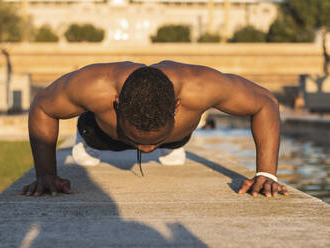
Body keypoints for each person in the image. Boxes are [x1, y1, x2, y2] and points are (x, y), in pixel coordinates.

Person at [21, 61, 288, 198]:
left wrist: (266, 174)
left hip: (175, 137)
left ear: (177, 106)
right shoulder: (94, 86)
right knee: (97, 134)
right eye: (139, 141)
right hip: (103, 136)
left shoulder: (202, 86)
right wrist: (46, 174)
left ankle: (169, 143)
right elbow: (43, 107)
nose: (146, 149)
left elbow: (266, 103)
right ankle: (89, 140)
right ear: (117, 104)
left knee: (171, 140)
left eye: (153, 141)